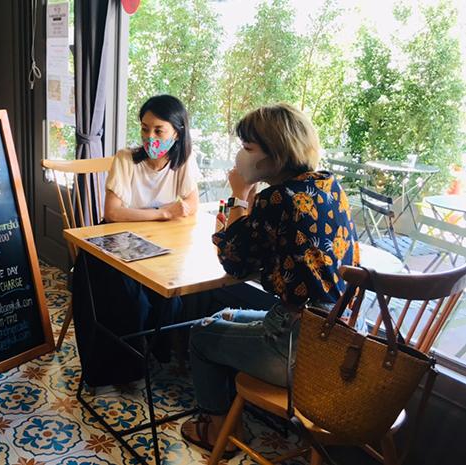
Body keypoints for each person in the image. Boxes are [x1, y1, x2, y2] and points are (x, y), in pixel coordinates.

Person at [179, 103, 360, 453]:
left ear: (276, 154)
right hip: (337, 339)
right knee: (224, 316)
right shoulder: (327, 185)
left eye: (248, 149)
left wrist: (238, 197)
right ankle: (232, 415)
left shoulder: (274, 198)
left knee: (201, 334)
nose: (240, 156)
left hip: (296, 348)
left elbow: (232, 263)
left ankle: (221, 432)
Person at [73, 94, 201, 387]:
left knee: (172, 294)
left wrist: (173, 212)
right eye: (145, 128)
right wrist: (162, 213)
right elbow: (113, 213)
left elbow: (191, 205)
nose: (149, 136)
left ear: (177, 132)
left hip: (158, 247)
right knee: (132, 301)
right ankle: (124, 369)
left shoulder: (183, 161)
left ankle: (151, 353)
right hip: (114, 244)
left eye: (159, 130)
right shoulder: (126, 159)